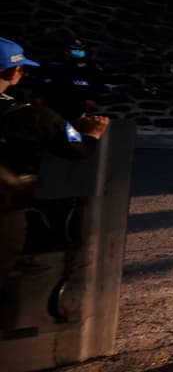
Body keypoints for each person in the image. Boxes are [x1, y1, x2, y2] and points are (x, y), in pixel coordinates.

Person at [0, 38, 109, 283]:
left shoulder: (87, 70)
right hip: (7, 208)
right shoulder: (29, 116)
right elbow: (77, 149)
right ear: (13, 71)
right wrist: (92, 134)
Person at [35, 38, 107, 121]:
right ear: (66, 51)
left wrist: (92, 99)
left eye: (81, 49)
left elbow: (98, 84)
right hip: (51, 108)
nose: (79, 51)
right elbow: (39, 83)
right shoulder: (50, 65)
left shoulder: (91, 67)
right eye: (75, 49)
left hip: (77, 109)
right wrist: (37, 98)